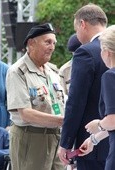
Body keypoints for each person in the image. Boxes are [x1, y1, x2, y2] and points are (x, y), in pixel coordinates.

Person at [6, 23, 65, 170]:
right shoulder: (18, 71)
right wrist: (63, 120)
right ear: (31, 43)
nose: (52, 47)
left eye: (54, 43)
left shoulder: (52, 71)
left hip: (55, 138)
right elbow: (26, 114)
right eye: (47, 42)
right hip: (31, 138)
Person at [58, 3, 109, 170]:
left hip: (93, 143)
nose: (77, 35)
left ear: (83, 24)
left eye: (76, 29)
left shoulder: (85, 52)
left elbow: (76, 101)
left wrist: (65, 143)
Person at [78, 25, 115, 170]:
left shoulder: (110, 76)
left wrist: (98, 124)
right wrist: (94, 139)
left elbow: (113, 120)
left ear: (107, 52)